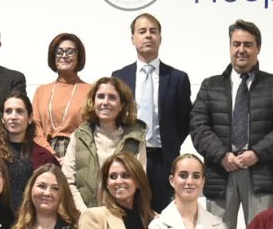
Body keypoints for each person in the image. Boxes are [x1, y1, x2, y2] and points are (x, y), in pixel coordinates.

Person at [191, 19, 273, 229]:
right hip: (221, 171)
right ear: (229, 47)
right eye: (236, 44)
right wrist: (222, 155)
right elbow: (198, 127)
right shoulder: (211, 86)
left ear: (258, 48)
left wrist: (256, 153)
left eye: (248, 44)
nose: (241, 50)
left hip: (260, 172)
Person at [115, 12, 193, 206]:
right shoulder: (119, 77)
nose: (148, 35)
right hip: (130, 156)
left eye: (153, 31)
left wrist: (170, 142)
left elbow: (185, 120)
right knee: (130, 211)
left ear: (160, 38)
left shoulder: (177, 78)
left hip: (164, 158)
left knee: (163, 214)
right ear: (133, 38)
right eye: (142, 31)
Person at [64, 77, 147, 208]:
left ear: (122, 105)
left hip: (123, 216)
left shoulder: (135, 139)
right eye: (101, 96)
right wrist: (85, 213)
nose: (105, 102)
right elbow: (68, 182)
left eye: (112, 98)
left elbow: (139, 181)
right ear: (93, 102)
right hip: (85, 217)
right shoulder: (79, 136)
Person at [0, 92, 57, 201]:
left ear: (30, 118)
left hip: (29, 215)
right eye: (8, 111)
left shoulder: (44, 157)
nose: (13, 117)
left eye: (19, 111)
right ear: (2, 118)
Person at [33, 31, 91, 157]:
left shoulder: (91, 91)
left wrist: (70, 158)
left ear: (79, 56)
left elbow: (93, 130)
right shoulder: (41, 91)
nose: (64, 56)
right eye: (59, 51)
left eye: (70, 51)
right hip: (45, 154)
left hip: (80, 154)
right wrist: (50, 154)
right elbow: (35, 128)